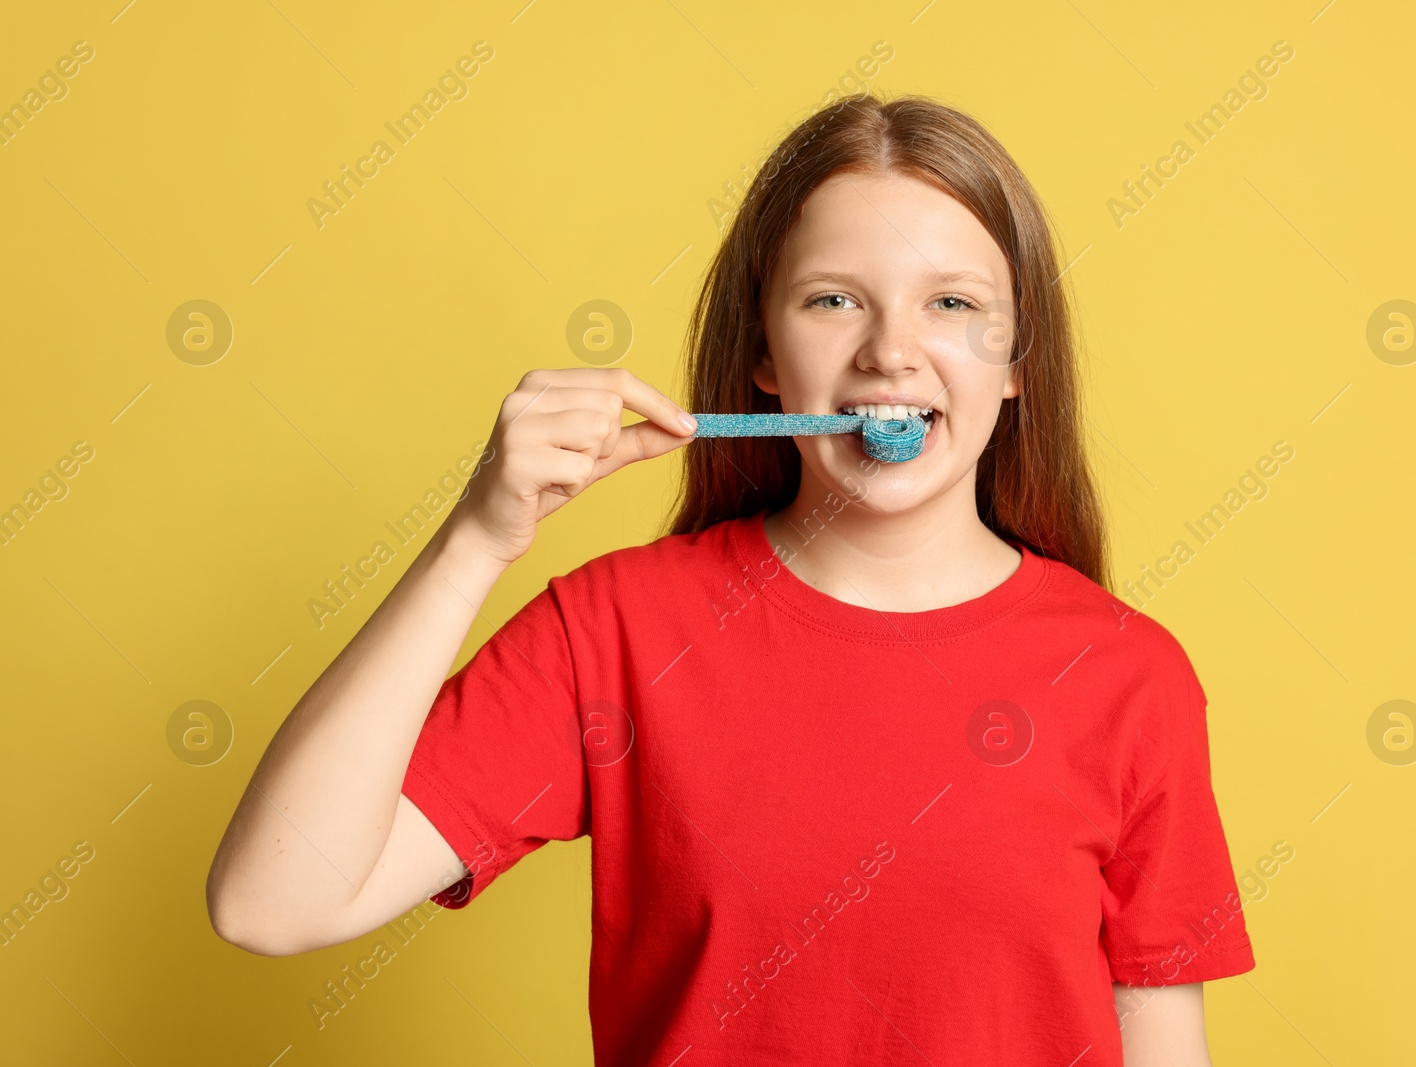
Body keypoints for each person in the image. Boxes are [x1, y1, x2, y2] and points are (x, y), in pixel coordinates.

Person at [207, 91, 1254, 1066]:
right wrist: (474, 540)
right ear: (763, 354)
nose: (891, 352)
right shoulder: (617, 628)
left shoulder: (1127, 674)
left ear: (1017, 358)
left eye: (950, 302)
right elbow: (271, 900)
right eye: (834, 299)